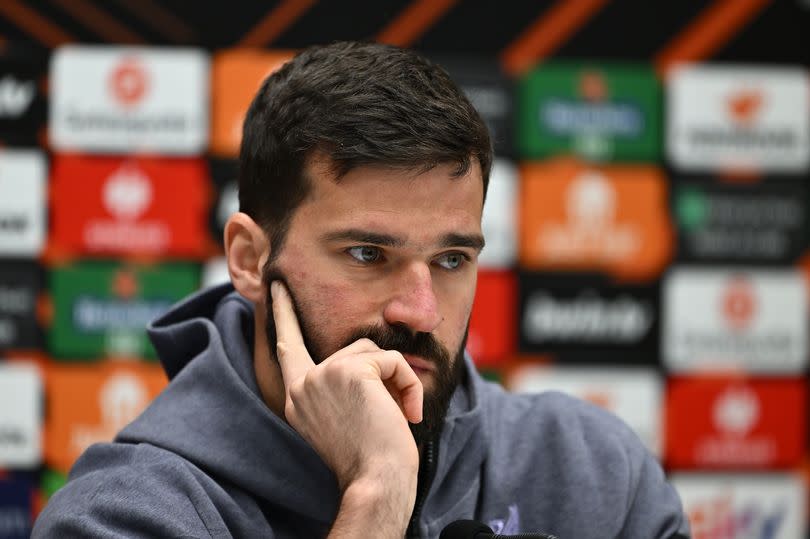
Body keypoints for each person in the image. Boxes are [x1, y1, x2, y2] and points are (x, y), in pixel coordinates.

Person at [34, 41, 689, 538]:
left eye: (452, 258)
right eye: (368, 253)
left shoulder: (594, 473)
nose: (421, 309)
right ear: (250, 260)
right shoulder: (127, 514)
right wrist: (376, 499)